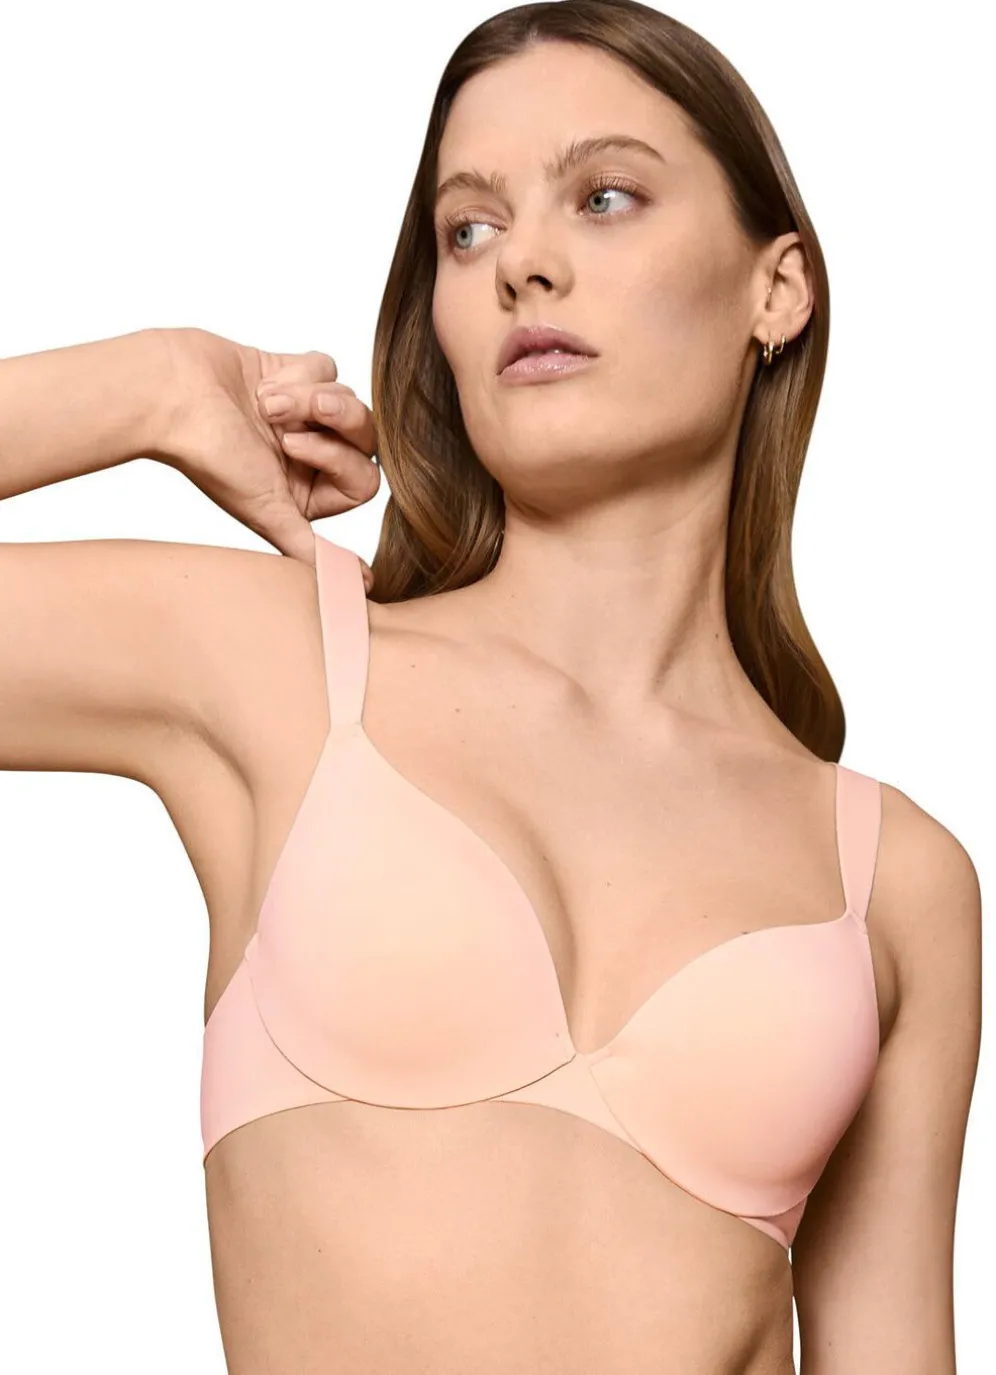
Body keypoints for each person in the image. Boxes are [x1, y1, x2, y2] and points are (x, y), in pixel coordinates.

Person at [0, 2, 982, 1372]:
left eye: (605, 197)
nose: (523, 261)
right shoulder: (283, 673)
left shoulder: (894, 878)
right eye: (468, 230)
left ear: (778, 290)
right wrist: (147, 389)